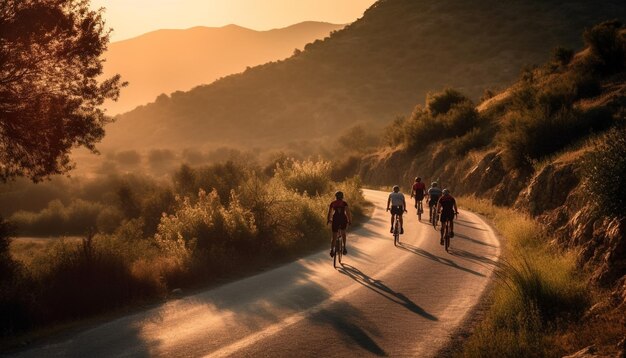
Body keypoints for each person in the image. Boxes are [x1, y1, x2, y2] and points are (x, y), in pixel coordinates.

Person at [327, 191, 352, 257]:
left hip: (335, 220)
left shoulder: (333, 203)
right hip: (343, 219)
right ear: (342, 197)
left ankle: (332, 250)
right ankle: (344, 247)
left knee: (334, 236)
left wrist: (328, 220)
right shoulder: (344, 203)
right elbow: (348, 213)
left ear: (336, 196)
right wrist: (349, 221)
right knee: (343, 233)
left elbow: (330, 213)